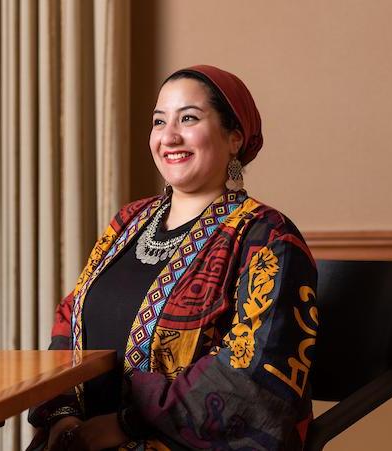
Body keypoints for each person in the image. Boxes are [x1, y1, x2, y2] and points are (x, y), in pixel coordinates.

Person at [27, 65, 318, 451]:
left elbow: (251, 375)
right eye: (159, 121)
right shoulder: (127, 222)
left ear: (234, 138)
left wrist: (124, 425)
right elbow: (70, 320)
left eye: (189, 119)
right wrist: (63, 416)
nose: (169, 136)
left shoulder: (267, 236)